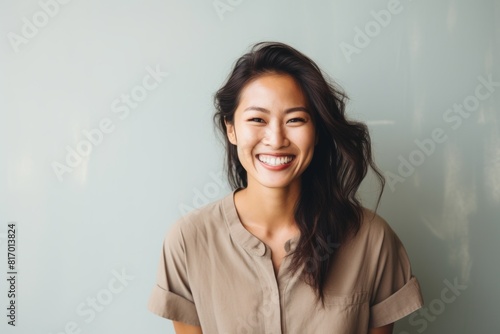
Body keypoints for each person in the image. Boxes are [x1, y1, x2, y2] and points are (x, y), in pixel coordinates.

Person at [148, 41, 423, 334]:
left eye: (295, 119)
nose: (276, 138)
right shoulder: (188, 240)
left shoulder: (372, 239)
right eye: (257, 119)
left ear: (316, 131)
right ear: (231, 128)